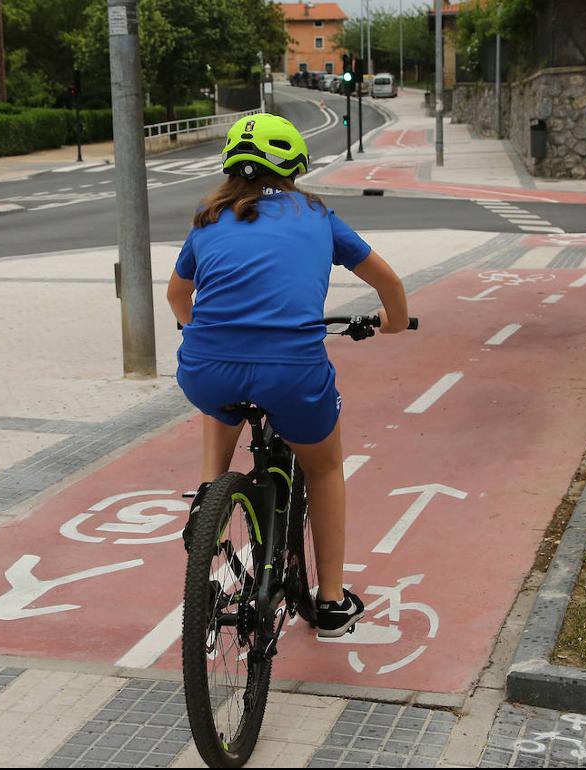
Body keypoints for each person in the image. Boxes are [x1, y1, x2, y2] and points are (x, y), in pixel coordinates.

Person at [166, 113, 409, 639]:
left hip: (207, 367)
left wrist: (207, 332)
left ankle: (210, 496)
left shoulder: (207, 219)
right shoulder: (318, 215)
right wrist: (391, 323)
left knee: (222, 402)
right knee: (323, 469)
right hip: (291, 372)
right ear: (296, 167)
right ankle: (330, 602)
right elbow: (387, 280)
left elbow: (176, 298)